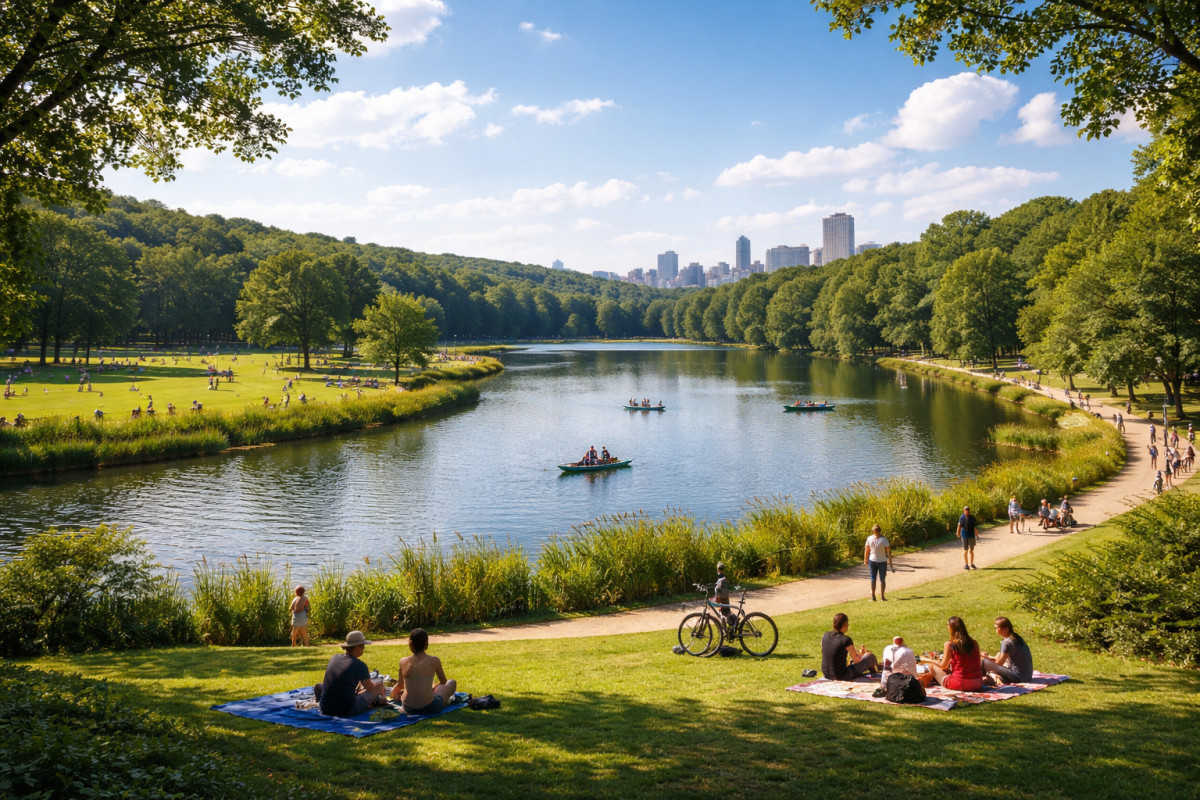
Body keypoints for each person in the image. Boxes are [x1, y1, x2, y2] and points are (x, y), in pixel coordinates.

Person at [314, 631, 387, 717]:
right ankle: (382, 700)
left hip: (325, 708)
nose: (363, 648)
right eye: (363, 646)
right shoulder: (359, 665)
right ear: (357, 647)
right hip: (346, 709)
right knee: (379, 686)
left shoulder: (334, 658)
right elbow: (370, 688)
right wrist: (379, 688)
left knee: (320, 685)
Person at [390, 628, 457, 715]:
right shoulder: (434, 660)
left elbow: (400, 685)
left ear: (411, 644)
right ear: (426, 643)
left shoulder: (403, 661)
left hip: (408, 707)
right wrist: (434, 687)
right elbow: (443, 682)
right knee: (451, 682)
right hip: (429, 707)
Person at [927, 616, 986, 692]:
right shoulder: (974, 643)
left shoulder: (950, 644)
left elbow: (943, 665)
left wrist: (928, 660)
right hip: (977, 683)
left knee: (931, 666)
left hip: (959, 683)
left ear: (951, 628)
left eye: (948, 625)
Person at [821, 612, 878, 680]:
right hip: (842, 676)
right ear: (845, 624)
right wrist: (862, 655)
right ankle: (876, 670)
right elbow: (857, 661)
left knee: (851, 662)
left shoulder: (825, 635)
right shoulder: (846, 640)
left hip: (827, 674)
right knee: (870, 657)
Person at [981, 617, 1034, 685]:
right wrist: (989, 657)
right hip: (1027, 676)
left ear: (1006, 629)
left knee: (983, 662)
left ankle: (982, 679)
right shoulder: (1016, 637)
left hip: (1018, 677)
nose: (995, 630)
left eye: (996, 628)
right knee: (996, 657)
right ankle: (996, 677)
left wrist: (985, 658)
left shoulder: (1007, 643)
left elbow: (999, 663)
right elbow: (1000, 657)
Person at [863, 524, 891, 601]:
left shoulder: (870, 538)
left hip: (872, 560)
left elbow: (867, 550)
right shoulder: (884, 539)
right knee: (882, 579)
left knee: (873, 578)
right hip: (881, 561)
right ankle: (882, 597)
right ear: (879, 531)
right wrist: (890, 560)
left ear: (873, 531)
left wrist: (865, 559)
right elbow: (888, 551)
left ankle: (873, 596)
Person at [956, 505, 978, 570]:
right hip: (964, 535)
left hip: (971, 535)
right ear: (964, 510)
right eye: (966, 510)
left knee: (971, 550)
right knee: (965, 550)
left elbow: (974, 527)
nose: (967, 511)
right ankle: (966, 564)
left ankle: (972, 563)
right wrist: (958, 533)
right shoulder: (962, 517)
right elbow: (959, 526)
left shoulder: (972, 518)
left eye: (968, 510)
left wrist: (976, 534)